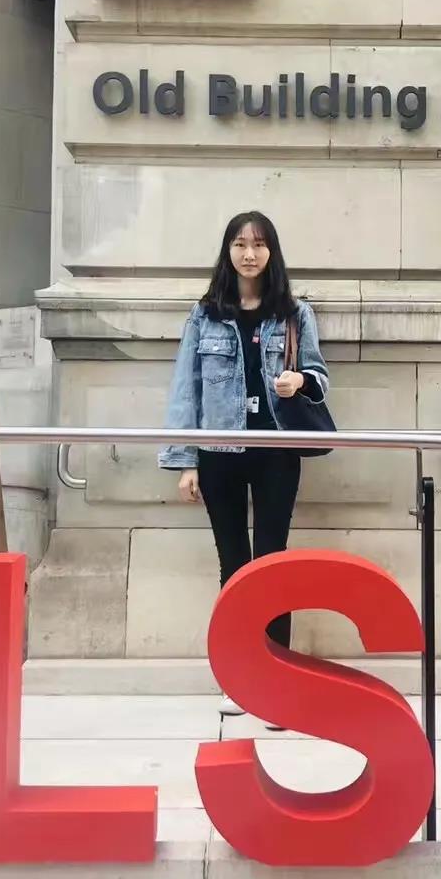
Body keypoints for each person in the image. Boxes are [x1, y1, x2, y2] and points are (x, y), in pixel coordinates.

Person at [158, 211, 330, 717]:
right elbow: (186, 390)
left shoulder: (295, 313)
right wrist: (185, 461)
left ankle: (276, 684)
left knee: (272, 564)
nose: (249, 254)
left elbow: (319, 376)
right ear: (228, 251)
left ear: (271, 251)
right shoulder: (205, 314)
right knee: (233, 564)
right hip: (219, 454)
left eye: (257, 244)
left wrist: (300, 381)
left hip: (277, 452)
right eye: (239, 244)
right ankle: (239, 679)